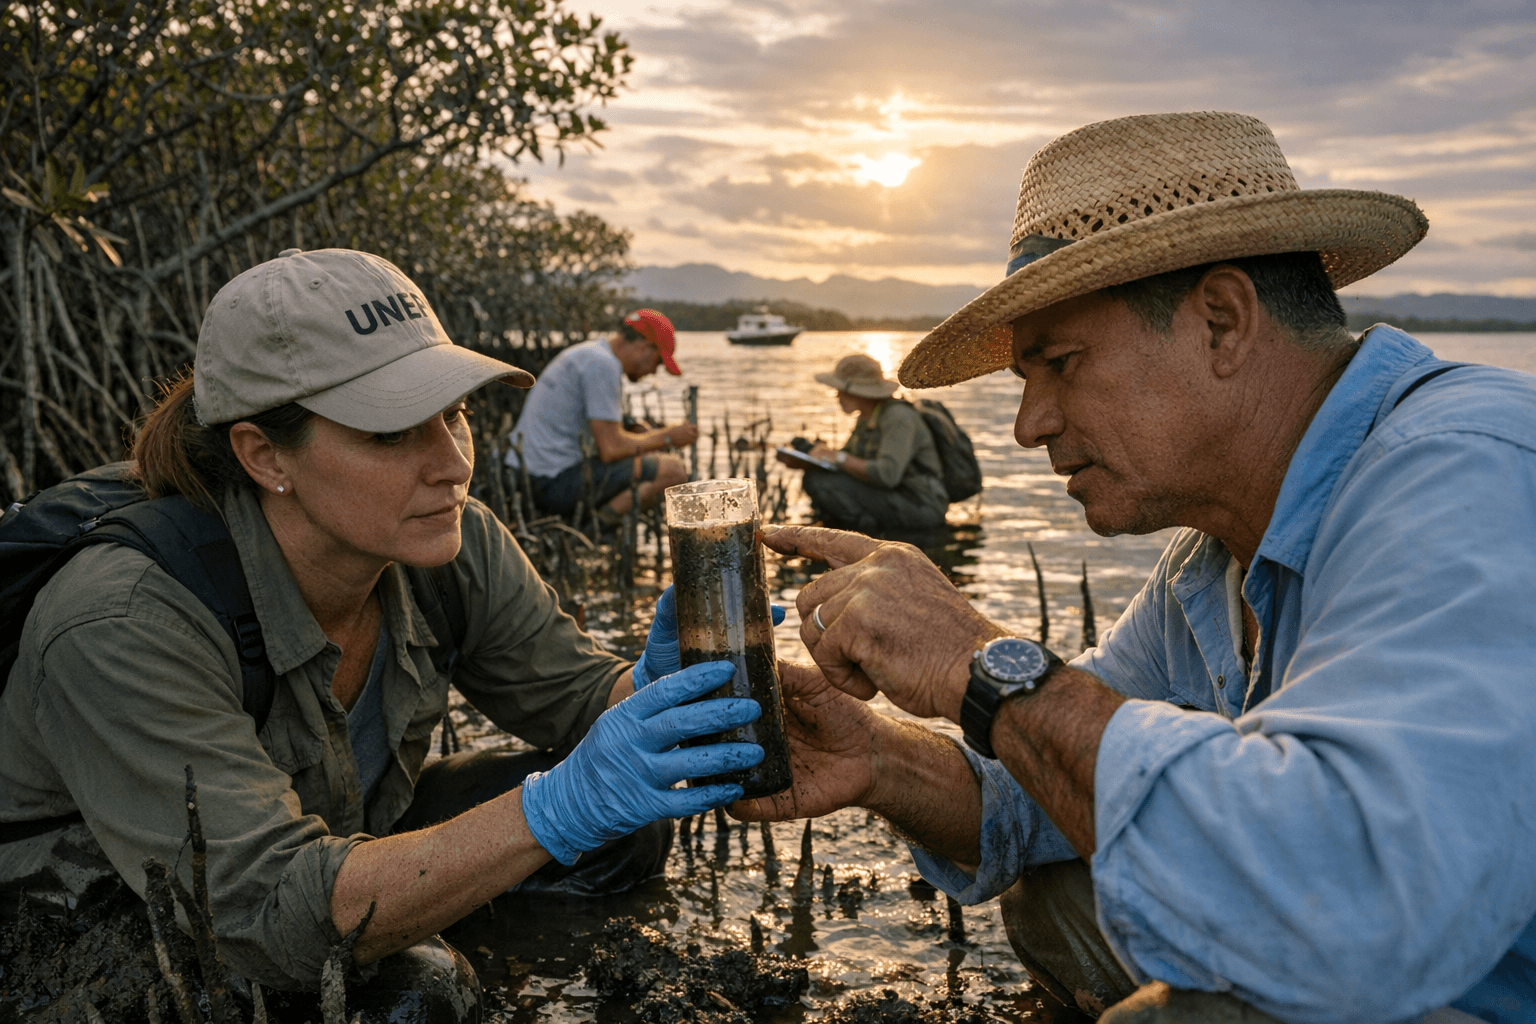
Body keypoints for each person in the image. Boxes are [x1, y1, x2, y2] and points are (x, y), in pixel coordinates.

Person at [735, 112, 1536, 1023]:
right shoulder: (1210, 566)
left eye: (1060, 364)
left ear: (1222, 323)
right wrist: (873, 755)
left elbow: (1353, 906)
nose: (1028, 423)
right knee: (1061, 892)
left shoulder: (1469, 470)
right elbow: (1031, 792)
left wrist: (973, 659)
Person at [0, 250, 765, 1022]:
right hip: (110, 914)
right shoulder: (123, 619)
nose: (452, 462)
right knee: (418, 996)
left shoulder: (445, 539)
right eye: (392, 431)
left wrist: (659, 686)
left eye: (454, 413)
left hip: (331, 834)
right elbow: (267, 910)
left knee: (620, 838)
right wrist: (552, 810)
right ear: (264, 455)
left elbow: (574, 695)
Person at [506, 308, 698, 524]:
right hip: (548, 484)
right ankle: (592, 531)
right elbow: (611, 448)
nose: (654, 372)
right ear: (645, 347)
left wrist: (635, 428)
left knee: (655, 463)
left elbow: (598, 418)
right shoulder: (603, 365)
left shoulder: (591, 354)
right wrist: (668, 436)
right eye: (658, 362)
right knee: (673, 471)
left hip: (525, 476)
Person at [775, 353, 949, 532]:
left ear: (856, 392)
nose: (837, 396)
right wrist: (812, 457)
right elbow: (851, 459)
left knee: (820, 482)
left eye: (841, 390)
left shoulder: (898, 418)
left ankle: (863, 534)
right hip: (896, 497)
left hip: (921, 505)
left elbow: (887, 475)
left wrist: (836, 457)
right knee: (817, 476)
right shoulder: (867, 417)